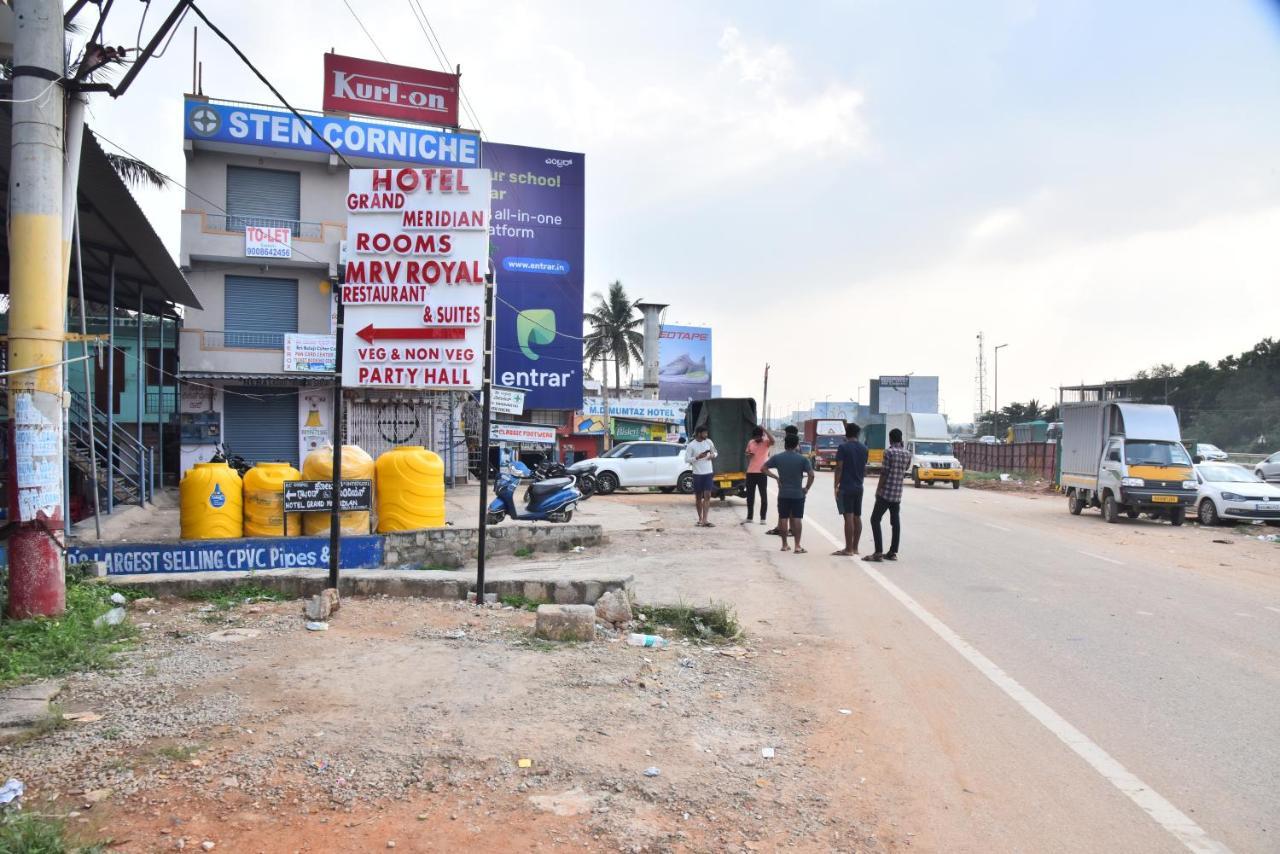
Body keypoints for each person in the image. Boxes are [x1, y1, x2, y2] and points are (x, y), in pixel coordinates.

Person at [764, 434, 815, 553]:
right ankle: (797, 546)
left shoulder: (778, 458)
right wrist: (806, 488)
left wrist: (776, 477)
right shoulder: (803, 459)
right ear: (797, 445)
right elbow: (811, 475)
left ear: (785, 444)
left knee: (783, 518)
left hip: (783, 494)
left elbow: (763, 468)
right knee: (797, 518)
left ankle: (784, 544)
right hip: (798, 494)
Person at [865, 427, 908, 562]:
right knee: (895, 523)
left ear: (890, 439)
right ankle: (893, 552)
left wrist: (878, 489)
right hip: (897, 494)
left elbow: (884, 473)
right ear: (901, 439)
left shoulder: (888, 452)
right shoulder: (907, 454)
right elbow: (905, 469)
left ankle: (878, 552)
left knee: (875, 519)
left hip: (886, 493)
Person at [831, 422, 868, 556]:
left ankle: (848, 549)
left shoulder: (843, 447)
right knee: (857, 516)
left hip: (846, 486)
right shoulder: (864, 448)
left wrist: (836, 485)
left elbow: (839, 467)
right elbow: (864, 469)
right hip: (859, 486)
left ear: (847, 434)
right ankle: (855, 547)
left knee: (849, 517)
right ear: (857, 434)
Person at [684, 424, 718, 527]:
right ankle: (700, 519)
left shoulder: (709, 442)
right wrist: (697, 457)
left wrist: (713, 455)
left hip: (708, 473)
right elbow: (686, 459)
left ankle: (705, 520)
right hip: (697, 474)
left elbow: (716, 452)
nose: (706, 435)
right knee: (698, 497)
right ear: (699, 433)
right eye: (705, 433)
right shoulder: (691, 445)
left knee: (707, 496)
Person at [743, 426, 774, 525]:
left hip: (762, 473)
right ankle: (749, 517)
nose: (757, 439)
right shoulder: (751, 442)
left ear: (762, 435)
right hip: (751, 472)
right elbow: (746, 453)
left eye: (758, 437)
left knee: (763, 496)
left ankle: (763, 518)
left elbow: (773, 440)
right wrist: (748, 455)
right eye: (755, 437)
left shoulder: (766, 442)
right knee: (750, 496)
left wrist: (764, 430)